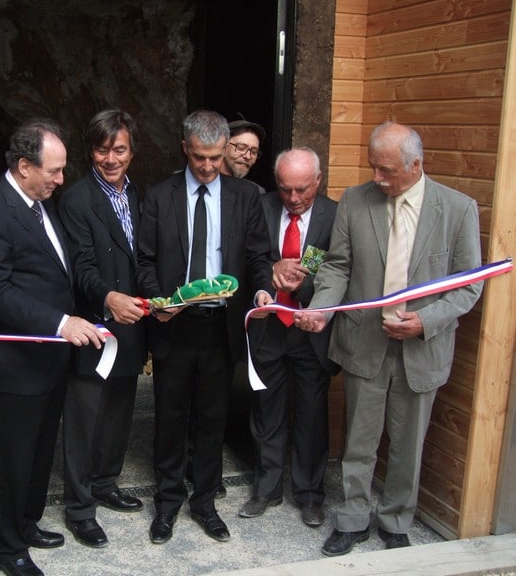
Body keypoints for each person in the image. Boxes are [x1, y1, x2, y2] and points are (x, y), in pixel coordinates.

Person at [295, 122, 483, 556]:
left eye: (386, 171)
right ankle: (354, 519)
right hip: (365, 343)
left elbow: (468, 286)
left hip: (422, 348)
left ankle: (396, 520)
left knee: (407, 444)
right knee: (358, 442)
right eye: (372, 168)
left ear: (416, 166)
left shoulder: (457, 209)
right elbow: (338, 265)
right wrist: (323, 308)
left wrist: (425, 321)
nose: (376, 178)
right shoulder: (355, 202)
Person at [0, 119, 107, 576]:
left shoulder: (40, 202)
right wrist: (62, 322)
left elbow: (54, 272)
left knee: (39, 450)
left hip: (47, 359)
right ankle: (8, 547)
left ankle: (26, 523)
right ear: (24, 166)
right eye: (55, 171)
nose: (62, 180)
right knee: (8, 458)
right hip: (9, 366)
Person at [137, 109, 271, 545]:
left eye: (216, 158)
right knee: (170, 417)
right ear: (185, 150)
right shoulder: (159, 196)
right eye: (200, 158)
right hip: (175, 326)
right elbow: (145, 261)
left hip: (221, 326)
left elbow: (256, 256)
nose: (209, 167)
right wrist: (160, 301)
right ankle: (168, 503)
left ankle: (205, 502)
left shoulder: (245, 196)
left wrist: (263, 291)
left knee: (212, 418)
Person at [57, 109, 147, 548]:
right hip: (95, 326)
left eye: (119, 149)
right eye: (101, 149)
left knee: (118, 414)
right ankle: (79, 507)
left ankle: (106, 483)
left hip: (135, 323)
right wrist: (108, 299)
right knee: (85, 420)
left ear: (132, 151)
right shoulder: (76, 200)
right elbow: (81, 269)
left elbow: (144, 258)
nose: (110, 159)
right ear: (89, 150)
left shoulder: (138, 196)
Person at [243, 148, 340, 527]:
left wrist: (305, 284)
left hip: (309, 330)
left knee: (312, 415)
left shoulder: (335, 214)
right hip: (269, 325)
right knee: (266, 413)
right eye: (285, 190)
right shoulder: (260, 206)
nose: (294, 198)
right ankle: (266, 489)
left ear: (318, 181)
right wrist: (269, 271)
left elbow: (340, 266)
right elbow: (245, 256)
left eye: (302, 189)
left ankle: (310, 494)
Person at [220, 117, 267, 194]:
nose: (248, 156)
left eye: (254, 152)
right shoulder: (202, 185)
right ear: (223, 146)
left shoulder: (256, 193)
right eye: (241, 148)